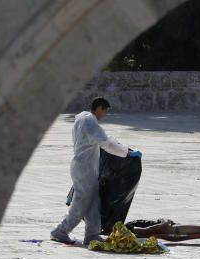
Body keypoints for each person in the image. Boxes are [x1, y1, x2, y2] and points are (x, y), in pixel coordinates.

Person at [51, 98, 142, 245]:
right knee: (81, 203)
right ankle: (60, 231)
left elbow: (104, 138)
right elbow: (106, 143)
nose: (105, 115)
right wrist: (127, 153)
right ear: (99, 108)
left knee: (94, 201)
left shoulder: (82, 120)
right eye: (105, 111)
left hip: (85, 167)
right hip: (84, 168)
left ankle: (92, 234)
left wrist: (120, 146)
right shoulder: (89, 123)